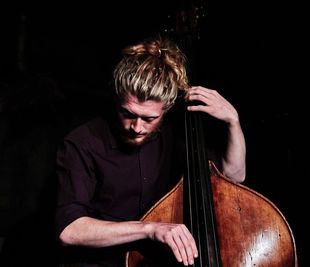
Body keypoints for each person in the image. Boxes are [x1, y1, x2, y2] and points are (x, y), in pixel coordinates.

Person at [55, 36, 246, 267]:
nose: (136, 127)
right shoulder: (83, 142)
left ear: (166, 109)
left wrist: (233, 122)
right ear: (117, 100)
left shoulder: (178, 135)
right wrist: (149, 229)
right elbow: (69, 230)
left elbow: (233, 178)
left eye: (149, 118)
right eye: (128, 114)